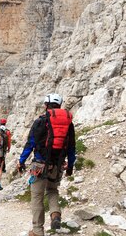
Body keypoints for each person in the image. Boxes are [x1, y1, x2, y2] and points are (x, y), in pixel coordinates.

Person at [17, 94, 76, 236]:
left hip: (39, 165)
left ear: (46, 105)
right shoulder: (68, 124)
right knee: (52, 191)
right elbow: (71, 148)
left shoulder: (40, 121)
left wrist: (21, 161)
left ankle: (37, 231)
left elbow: (30, 144)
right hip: (57, 165)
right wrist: (70, 167)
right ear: (60, 106)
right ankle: (55, 214)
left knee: (37, 197)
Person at [0, 118, 12, 190]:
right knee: (0, 167)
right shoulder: (7, 131)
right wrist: (8, 148)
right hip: (3, 151)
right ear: (5, 123)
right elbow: (9, 142)